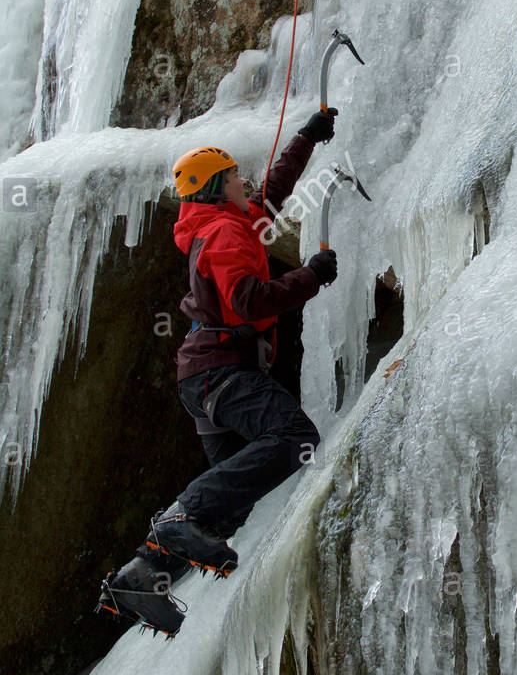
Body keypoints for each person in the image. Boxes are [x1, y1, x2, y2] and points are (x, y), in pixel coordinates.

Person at [97, 110, 339, 637]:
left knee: (228, 503)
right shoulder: (226, 233)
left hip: (204, 376)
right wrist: (311, 277)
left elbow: (271, 192)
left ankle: (141, 576)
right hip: (222, 370)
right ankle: (178, 520)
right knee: (295, 436)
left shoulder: (224, 223)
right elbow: (248, 302)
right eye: (233, 177)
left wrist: (305, 138)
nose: (243, 182)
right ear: (214, 189)